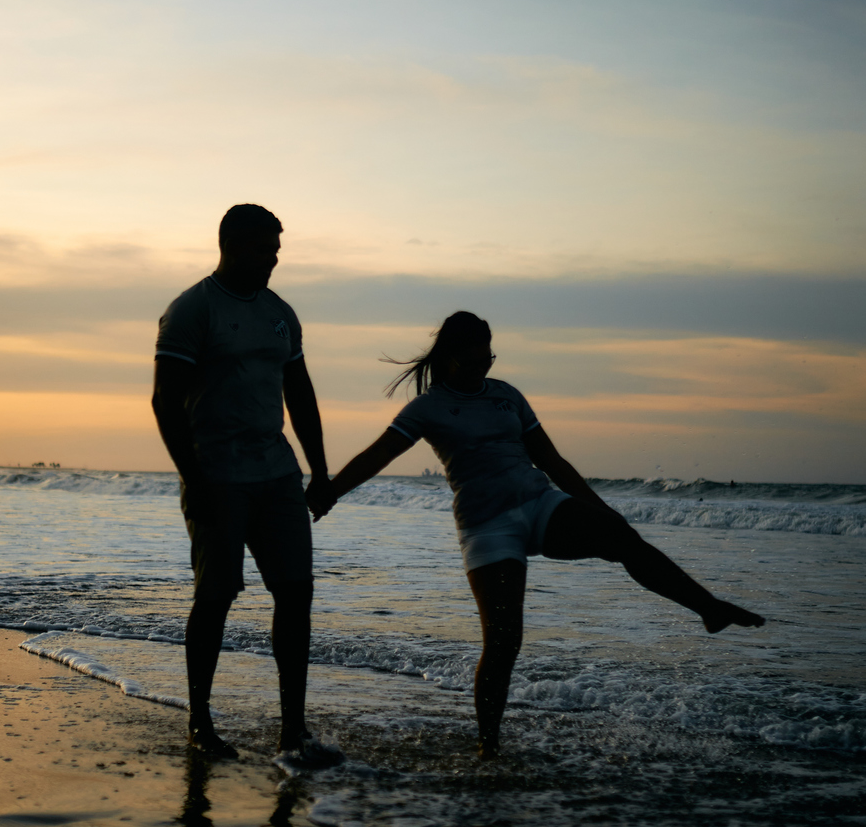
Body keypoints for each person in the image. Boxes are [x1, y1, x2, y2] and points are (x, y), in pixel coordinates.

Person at [310, 311, 764, 758]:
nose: (480, 368)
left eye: (486, 359)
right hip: (486, 526)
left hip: (539, 504)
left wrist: (602, 510)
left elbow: (552, 461)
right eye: (469, 361)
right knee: (504, 640)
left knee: (623, 539)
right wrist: (329, 492)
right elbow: (377, 457)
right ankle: (489, 747)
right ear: (448, 358)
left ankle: (709, 608)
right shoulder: (427, 407)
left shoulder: (507, 396)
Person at [152, 205, 343, 769]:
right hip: (216, 474)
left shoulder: (282, 315)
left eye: (277, 248)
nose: (274, 258)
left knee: (296, 593)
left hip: (277, 474)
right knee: (216, 597)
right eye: (265, 248)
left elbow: (301, 395)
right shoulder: (192, 311)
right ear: (232, 246)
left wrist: (320, 472)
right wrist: (194, 478)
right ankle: (200, 722)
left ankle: (292, 730)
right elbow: (166, 402)